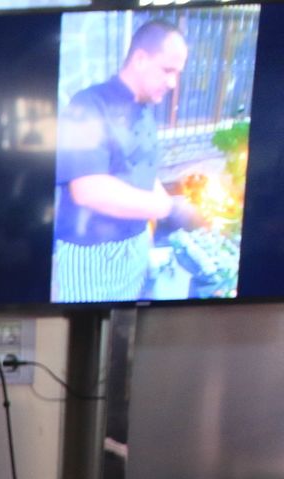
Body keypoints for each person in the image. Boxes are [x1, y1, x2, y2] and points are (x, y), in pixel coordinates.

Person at [53, 19, 202, 302]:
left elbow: (141, 171)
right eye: (167, 70)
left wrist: (148, 225)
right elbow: (89, 190)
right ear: (140, 59)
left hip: (135, 243)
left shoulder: (145, 106)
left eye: (177, 74)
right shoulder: (88, 104)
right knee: (89, 335)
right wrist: (167, 207)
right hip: (93, 253)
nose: (172, 83)